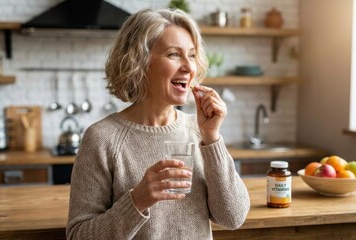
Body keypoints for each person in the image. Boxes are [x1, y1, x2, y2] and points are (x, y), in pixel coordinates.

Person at [66, 8, 250, 240]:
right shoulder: (102, 138)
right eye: (174, 55)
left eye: (192, 55)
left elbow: (233, 218)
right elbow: (78, 235)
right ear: (139, 62)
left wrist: (212, 138)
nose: (189, 67)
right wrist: (137, 201)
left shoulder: (200, 132)